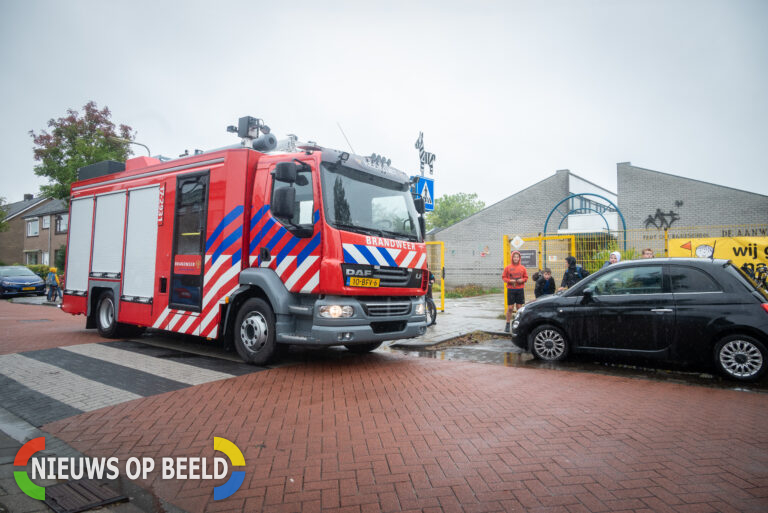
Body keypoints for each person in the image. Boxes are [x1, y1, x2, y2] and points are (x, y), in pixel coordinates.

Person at [503, 250, 528, 332]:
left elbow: (526, 278)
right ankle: (507, 324)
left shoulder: (523, 268)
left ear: (519, 258)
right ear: (512, 258)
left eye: (517, 257)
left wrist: (522, 280)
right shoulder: (508, 267)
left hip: (520, 289)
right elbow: (504, 277)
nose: (516, 258)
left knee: (519, 308)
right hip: (511, 290)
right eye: (514, 257)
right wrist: (510, 281)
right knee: (510, 308)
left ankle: (519, 325)